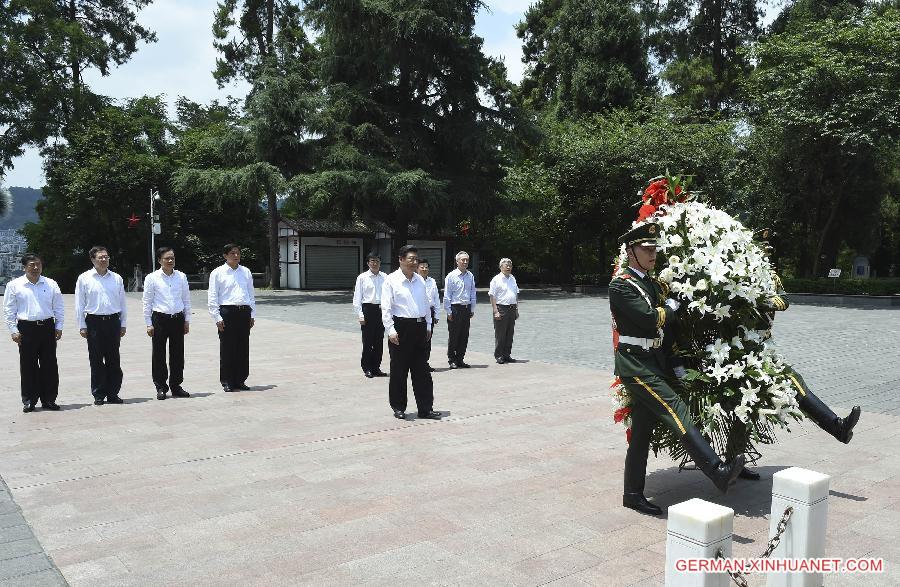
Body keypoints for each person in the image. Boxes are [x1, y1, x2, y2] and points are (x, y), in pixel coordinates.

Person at [610, 223, 744, 515]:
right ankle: (717, 469)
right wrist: (670, 308)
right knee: (676, 409)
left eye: (654, 248)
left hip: (653, 363)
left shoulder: (650, 282)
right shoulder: (621, 284)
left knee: (642, 432)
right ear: (631, 252)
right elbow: (648, 319)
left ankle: (632, 494)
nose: (652, 253)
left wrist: (676, 361)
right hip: (635, 365)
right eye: (646, 249)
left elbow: (666, 325)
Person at [730, 229, 860, 480]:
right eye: (761, 253)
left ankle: (838, 427)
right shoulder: (740, 276)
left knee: (792, 386)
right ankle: (732, 463)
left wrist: (766, 301)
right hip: (740, 351)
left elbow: (783, 300)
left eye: (768, 254)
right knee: (744, 407)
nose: (765, 258)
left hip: (763, 349)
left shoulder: (771, 277)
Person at [381, 245, 442, 421]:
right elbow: (386, 307)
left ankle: (425, 409)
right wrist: (390, 330)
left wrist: (429, 325)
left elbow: (426, 304)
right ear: (401, 259)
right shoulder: (391, 280)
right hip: (401, 328)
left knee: (422, 371)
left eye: (416, 259)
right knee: (399, 371)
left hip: (420, 327)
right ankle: (399, 407)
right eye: (411, 259)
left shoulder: (420, 281)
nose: (415, 262)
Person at [3, 253, 65, 412]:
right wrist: (13, 330)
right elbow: (9, 310)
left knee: (49, 364)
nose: (36, 267)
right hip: (26, 328)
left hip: (47, 327)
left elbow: (58, 307)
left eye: (38, 264)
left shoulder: (50, 284)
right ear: (24, 267)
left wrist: (59, 326)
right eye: (32, 264)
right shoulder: (14, 285)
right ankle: (29, 400)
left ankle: (49, 399)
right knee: (28, 366)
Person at [75, 246, 127, 405]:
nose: (104, 260)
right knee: (96, 360)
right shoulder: (84, 278)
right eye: (100, 257)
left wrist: (123, 323)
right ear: (92, 259)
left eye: (106, 257)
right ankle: (98, 394)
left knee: (113, 359)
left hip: (113, 322)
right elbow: (79, 304)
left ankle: (113, 393)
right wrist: (82, 325)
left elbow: (122, 302)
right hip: (94, 322)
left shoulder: (116, 278)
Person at [142, 246, 192, 400]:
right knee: (158, 354)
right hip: (160, 319)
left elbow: (186, 299)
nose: (170, 261)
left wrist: (187, 319)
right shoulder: (152, 278)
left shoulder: (181, 277)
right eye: (167, 258)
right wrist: (148, 323)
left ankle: (176, 386)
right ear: (159, 260)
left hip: (177, 318)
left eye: (172, 258)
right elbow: (147, 302)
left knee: (178, 354)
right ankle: (161, 387)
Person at [208, 244, 256, 392]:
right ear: (225, 255)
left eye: (238, 253)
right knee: (228, 348)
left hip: (244, 311)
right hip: (227, 312)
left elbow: (251, 294)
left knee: (243, 347)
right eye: (232, 253)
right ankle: (227, 381)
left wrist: (252, 314)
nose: (236, 256)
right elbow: (212, 296)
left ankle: (240, 380)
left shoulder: (246, 271)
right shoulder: (218, 273)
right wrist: (216, 317)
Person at [352, 252, 387, 378]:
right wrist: (360, 315)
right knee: (368, 342)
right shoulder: (362, 277)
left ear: (380, 262)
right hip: (368, 310)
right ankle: (366, 367)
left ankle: (376, 367)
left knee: (379, 342)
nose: (374, 263)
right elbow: (357, 298)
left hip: (381, 311)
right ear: (368, 263)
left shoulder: (385, 277)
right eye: (372, 261)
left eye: (377, 260)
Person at [443, 251, 476, 369]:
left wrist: (472, 308)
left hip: (466, 308)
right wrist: (448, 311)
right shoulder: (451, 276)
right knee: (454, 335)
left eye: (467, 260)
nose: (465, 262)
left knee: (464, 335)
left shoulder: (470, 275)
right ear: (457, 261)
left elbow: (473, 292)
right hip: (455, 308)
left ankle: (460, 359)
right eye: (463, 260)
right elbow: (447, 295)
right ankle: (452, 359)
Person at [489, 258, 519, 364]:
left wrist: (516, 309)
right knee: (500, 334)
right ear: (500, 267)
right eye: (506, 265)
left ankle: (507, 354)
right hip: (501, 308)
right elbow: (492, 296)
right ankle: (499, 355)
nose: (508, 267)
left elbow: (515, 295)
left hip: (512, 308)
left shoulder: (512, 278)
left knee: (510, 333)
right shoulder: (496, 279)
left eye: (510, 266)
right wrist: (495, 311)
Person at [417, 259, 440, 372]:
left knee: (428, 338)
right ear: (417, 268)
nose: (424, 269)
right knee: (417, 339)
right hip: (418, 312)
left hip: (430, 311)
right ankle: (417, 363)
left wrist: (437, 314)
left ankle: (425, 363)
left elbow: (436, 298)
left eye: (426, 267)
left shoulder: (432, 281)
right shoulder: (414, 280)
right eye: (422, 267)